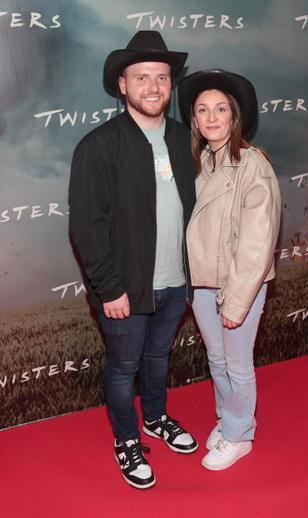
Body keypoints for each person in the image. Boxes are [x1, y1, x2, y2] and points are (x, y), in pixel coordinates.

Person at [69, 31, 198, 490]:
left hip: (175, 281)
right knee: (124, 367)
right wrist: (109, 288)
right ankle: (126, 438)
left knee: (159, 356)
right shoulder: (98, 146)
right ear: (122, 85)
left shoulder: (186, 140)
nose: (153, 86)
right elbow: (87, 225)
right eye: (141, 77)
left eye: (161, 77)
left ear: (170, 83)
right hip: (125, 287)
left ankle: (156, 418)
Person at [178, 69, 281, 471]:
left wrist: (237, 302)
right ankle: (229, 418)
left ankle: (239, 435)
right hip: (203, 283)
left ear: (235, 115)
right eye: (203, 110)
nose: (211, 117)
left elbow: (257, 246)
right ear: (195, 119)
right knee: (217, 361)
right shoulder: (203, 161)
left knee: (237, 364)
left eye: (220, 109)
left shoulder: (253, 166)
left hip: (241, 285)